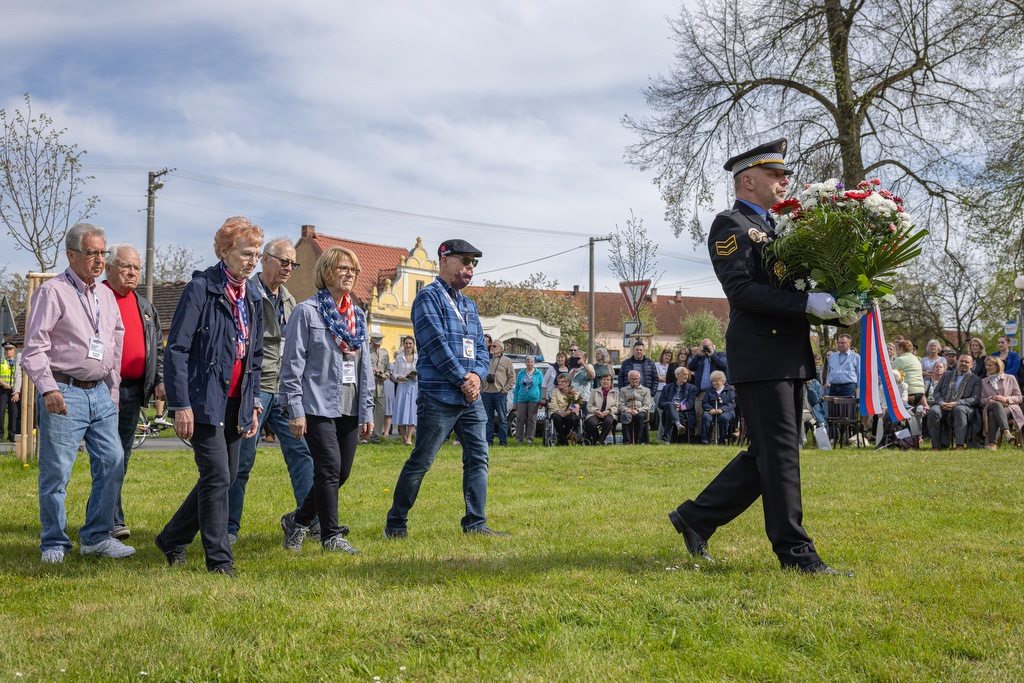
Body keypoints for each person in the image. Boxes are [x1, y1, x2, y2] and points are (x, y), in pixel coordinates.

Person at [668, 139, 849, 575]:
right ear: (748, 179)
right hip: (762, 351)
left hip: (787, 351)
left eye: (784, 175)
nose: (784, 181)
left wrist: (838, 300)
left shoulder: (780, 227)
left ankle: (696, 517)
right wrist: (806, 305)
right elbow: (743, 291)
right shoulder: (730, 223)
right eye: (775, 175)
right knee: (781, 452)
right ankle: (797, 555)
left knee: (771, 451)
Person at [156, 217, 264, 575]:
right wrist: (181, 403)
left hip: (237, 402)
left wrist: (254, 403)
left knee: (225, 475)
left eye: (257, 255)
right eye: (246, 253)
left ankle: (173, 536)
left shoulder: (254, 297)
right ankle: (219, 561)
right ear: (224, 251)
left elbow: (255, 356)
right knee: (217, 475)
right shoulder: (201, 288)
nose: (252, 261)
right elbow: (177, 350)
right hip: (204, 399)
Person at [22, 222, 133, 564]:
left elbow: (114, 341)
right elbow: (33, 348)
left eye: (103, 252)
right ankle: (54, 543)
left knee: (113, 462)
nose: (100, 260)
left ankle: (97, 537)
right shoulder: (52, 292)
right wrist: (48, 388)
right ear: (71, 255)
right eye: (92, 253)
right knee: (57, 472)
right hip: (64, 391)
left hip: (100, 393)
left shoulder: (104, 295)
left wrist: (112, 390)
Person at [385, 239, 507, 538]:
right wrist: (464, 380)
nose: (470, 267)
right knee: (422, 460)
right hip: (439, 395)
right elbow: (435, 345)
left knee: (478, 457)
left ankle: (475, 523)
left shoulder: (469, 304)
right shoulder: (428, 298)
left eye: (474, 263)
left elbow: (481, 347)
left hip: (470, 398)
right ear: (445, 260)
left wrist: (478, 376)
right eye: (465, 261)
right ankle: (396, 523)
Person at [279, 246, 374, 554]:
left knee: (340, 472)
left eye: (354, 270)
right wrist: (295, 409)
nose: (350, 274)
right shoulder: (306, 312)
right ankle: (331, 536)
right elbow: (292, 363)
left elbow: (365, 367)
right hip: (315, 404)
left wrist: (368, 410)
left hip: (349, 404)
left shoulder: (357, 315)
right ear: (326, 271)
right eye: (343, 268)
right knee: (328, 468)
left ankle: (298, 520)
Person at [227, 238, 316, 546]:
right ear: (265, 260)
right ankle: (229, 528)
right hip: (255, 388)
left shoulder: (291, 300)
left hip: (285, 390)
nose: (289, 268)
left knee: (302, 454)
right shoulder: (246, 293)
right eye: (283, 261)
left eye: (293, 264)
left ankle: (309, 521)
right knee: (242, 461)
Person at [102, 244, 165, 541]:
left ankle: (109, 518)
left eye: (136, 268)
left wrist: (159, 380)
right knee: (108, 457)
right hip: (101, 390)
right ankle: (110, 521)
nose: (131, 273)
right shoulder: (97, 298)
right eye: (126, 266)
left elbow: (157, 350)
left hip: (132, 392)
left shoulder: (145, 306)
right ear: (108, 267)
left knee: (121, 458)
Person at [926, 354, 982, 450]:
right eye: (961, 361)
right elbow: (937, 392)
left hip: (963, 406)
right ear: (958, 362)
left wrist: (957, 403)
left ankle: (960, 445)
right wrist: (941, 402)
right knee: (933, 411)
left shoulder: (976, 379)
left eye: (967, 362)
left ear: (972, 365)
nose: (963, 363)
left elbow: (975, 398)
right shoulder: (946, 375)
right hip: (943, 404)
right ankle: (935, 446)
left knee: (959, 410)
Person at [979, 356, 1023, 450]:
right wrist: (989, 399)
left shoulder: (1010, 378)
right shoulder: (983, 381)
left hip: (1009, 408)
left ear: (998, 366)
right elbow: (981, 400)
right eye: (986, 365)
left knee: (993, 414)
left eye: (990, 365)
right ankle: (1007, 433)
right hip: (990, 406)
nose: (987, 367)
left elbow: (1019, 397)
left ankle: (993, 445)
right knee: (996, 404)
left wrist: (1006, 399)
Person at [481, 339, 515, 447]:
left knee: (502, 419)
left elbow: (512, 378)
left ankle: (503, 442)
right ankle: (488, 441)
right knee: (487, 419)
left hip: (499, 394)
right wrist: (482, 389)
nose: (492, 347)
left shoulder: (507, 361)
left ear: (501, 349)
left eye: (494, 346)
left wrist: (504, 390)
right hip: (486, 393)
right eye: (491, 346)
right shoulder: (486, 359)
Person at [688, 338, 728, 421]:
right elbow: (691, 367)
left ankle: (714, 434)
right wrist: (699, 355)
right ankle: (699, 434)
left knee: (715, 417)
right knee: (699, 415)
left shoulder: (720, 355)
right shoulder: (700, 358)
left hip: (715, 392)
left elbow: (723, 365)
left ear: (713, 346)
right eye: (704, 347)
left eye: (707, 346)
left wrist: (712, 354)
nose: (706, 348)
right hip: (701, 392)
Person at [392, 336, 419, 445]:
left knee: (412, 411)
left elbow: (420, 371)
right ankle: (403, 438)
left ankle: (409, 438)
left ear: (413, 345)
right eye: (406, 343)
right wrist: (397, 377)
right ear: (403, 345)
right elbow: (394, 372)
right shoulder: (399, 358)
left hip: (413, 385)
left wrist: (414, 376)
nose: (408, 346)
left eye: (410, 343)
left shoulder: (417, 357)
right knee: (401, 410)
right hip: (402, 385)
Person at [660, 366, 698, 442]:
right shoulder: (667, 388)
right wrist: (672, 405)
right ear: (676, 375)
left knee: (669, 414)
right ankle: (678, 425)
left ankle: (667, 439)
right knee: (670, 406)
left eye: (687, 374)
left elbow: (690, 404)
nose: (686, 376)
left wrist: (680, 406)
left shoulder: (692, 388)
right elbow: (660, 403)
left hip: (684, 413)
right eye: (684, 374)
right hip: (670, 410)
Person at [512, 355, 543, 443]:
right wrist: (515, 402)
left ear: (534, 363)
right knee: (520, 418)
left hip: (534, 398)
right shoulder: (521, 373)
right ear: (525, 363)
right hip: (521, 398)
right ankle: (519, 438)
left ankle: (530, 438)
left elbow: (541, 387)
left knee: (532, 418)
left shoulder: (538, 373)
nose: (530, 364)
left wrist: (541, 400)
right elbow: (517, 388)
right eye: (528, 362)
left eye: (531, 362)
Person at [700, 371, 736, 444]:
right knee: (706, 417)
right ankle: (704, 441)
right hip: (712, 410)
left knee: (723, 418)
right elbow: (705, 402)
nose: (714, 383)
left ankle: (722, 440)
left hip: (726, 411)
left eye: (716, 381)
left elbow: (731, 403)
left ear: (723, 381)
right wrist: (710, 409)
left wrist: (722, 409)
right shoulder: (709, 390)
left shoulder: (730, 390)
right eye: (713, 381)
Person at [618, 369, 653, 445]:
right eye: (632, 379)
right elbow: (620, 404)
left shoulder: (646, 390)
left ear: (639, 379)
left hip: (640, 411)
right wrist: (626, 409)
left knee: (639, 416)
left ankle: (639, 441)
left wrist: (638, 410)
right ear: (629, 379)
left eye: (636, 379)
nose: (634, 380)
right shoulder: (623, 390)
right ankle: (627, 442)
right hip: (628, 411)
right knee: (625, 416)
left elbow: (647, 405)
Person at [367, 332, 390, 442]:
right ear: (370, 341)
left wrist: (386, 375)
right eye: (375, 344)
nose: (377, 347)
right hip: (368, 386)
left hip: (380, 387)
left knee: (380, 412)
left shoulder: (384, 353)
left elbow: (388, 369)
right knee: (366, 411)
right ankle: (364, 436)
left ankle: (376, 437)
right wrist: (372, 371)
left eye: (378, 345)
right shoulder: (365, 351)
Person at [585, 373, 619, 445]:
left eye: (608, 380)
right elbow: (589, 405)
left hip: (609, 413)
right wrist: (596, 411)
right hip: (595, 413)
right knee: (591, 422)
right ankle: (598, 441)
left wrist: (609, 410)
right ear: (601, 381)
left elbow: (617, 407)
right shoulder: (594, 391)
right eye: (604, 379)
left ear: (611, 382)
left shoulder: (615, 393)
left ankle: (599, 441)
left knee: (609, 421)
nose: (605, 381)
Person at [548, 373, 582, 445]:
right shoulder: (555, 391)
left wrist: (569, 410)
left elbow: (577, 404)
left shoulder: (574, 391)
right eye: (559, 381)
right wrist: (558, 411)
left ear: (568, 383)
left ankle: (562, 439)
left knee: (571, 418)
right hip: (558, 412)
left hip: (570, 412)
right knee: (556, 418)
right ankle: (564, 439)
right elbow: (553, 403)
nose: (559, 383)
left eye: (562, 381)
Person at [891, 339, 925, 409]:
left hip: (908, 392)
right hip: (920, 392)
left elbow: (891, 375)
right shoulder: (916, 360)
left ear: (901, 349)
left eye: (897, 349)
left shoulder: (900, 360)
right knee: (910, 412)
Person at [0, 342, 22, 442]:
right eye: (6, 349)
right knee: (1, 412)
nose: (8, 351)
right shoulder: (1, 361)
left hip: (14, 391)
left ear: (14, 351)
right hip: (3, 390)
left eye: (10, 349)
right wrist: (4, 384)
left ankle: (12, 435)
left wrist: (17, 390)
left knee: (14, 413)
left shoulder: (17, 363)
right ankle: (0, 434)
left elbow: (19, 376)